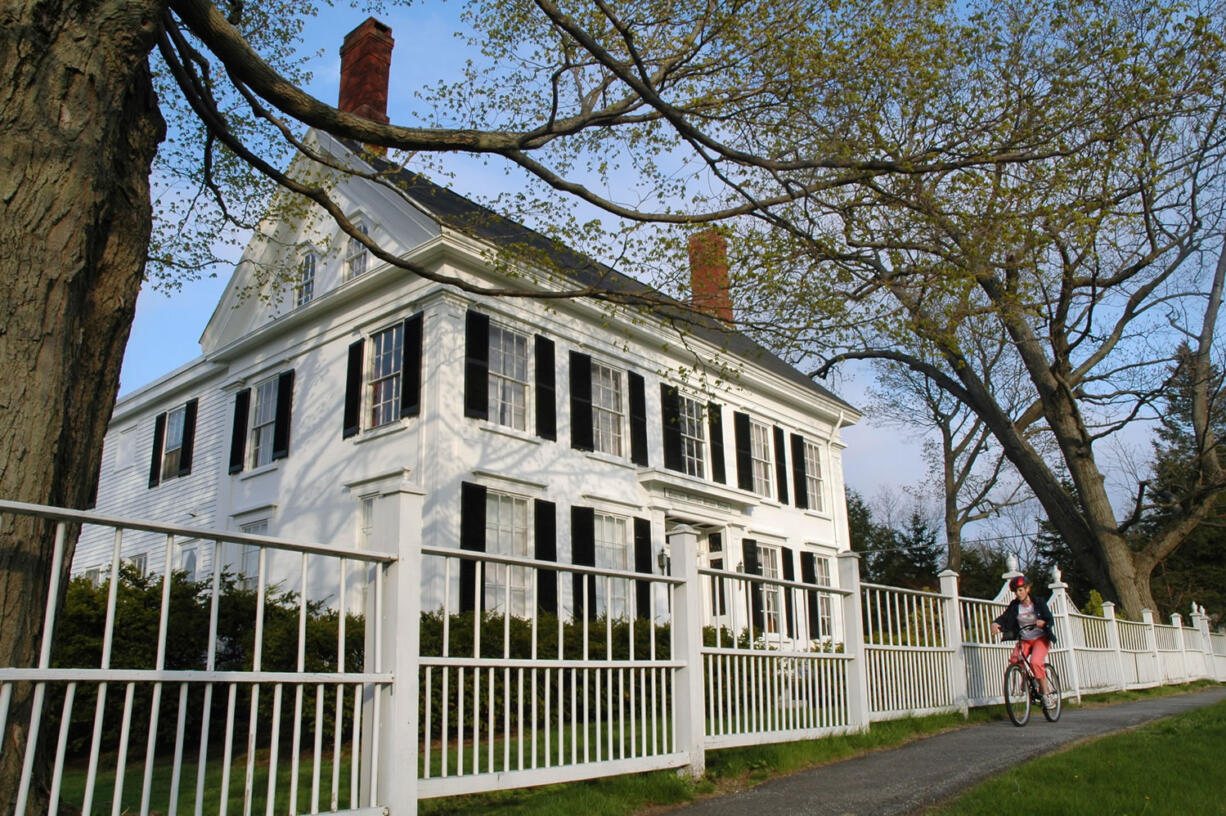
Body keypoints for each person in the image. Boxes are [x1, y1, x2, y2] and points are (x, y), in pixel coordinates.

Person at [991, 575, 1059, 710]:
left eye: (1021, 590)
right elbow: (1005, 617)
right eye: (1016, 591)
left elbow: (1049, 619)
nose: (1018, 593)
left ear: (1028, 589)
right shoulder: (1015, 605)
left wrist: (1043, 623)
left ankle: (1046, 695)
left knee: (1035, 662)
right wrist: (996, 623)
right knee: (1015, 659)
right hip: (1025, 639)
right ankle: (1029, 680)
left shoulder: (1038, 602)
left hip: (1040, 638)